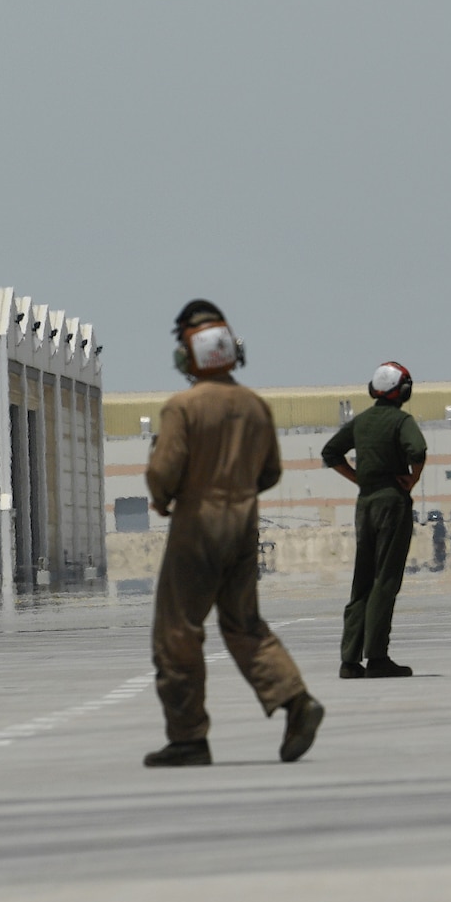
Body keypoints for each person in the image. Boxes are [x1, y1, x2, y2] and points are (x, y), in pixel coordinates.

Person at [143, 300, 321, 767]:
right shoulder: (254, 406)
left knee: (177, 631)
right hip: (243, 524)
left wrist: (164, 498)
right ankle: (297, 700)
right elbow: (272, 472)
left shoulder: (182, 407)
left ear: (192, 355)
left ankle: (188, 739)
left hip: (197, 524)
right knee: (244, 624)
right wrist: (239, 491)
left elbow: (165, 469)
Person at [322, 361, 428, 678]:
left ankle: (349, 660)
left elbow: (330, 452)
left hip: (364, 503)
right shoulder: (400, 420)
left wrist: (358, 479)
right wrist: (413, 478)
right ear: (404, 391)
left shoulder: (362, 422)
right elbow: (418, 450)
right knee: (386, 580)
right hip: (391, 502)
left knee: (362, 581)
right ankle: (378, 657)